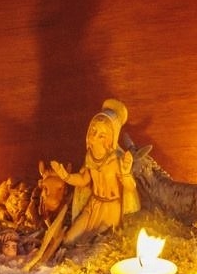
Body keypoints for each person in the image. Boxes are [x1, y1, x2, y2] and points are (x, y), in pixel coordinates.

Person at [48, 99, 139, 245]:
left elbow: (130, 188)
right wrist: (65, 176)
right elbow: (84, 180)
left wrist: (126, 173)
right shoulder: (90, 156)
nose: (94, 137)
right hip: (93, 205)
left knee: (94, 243)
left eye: (101, 135)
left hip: (111, 209)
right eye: (93, 131)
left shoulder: (117, 159)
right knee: (69, 240)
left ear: (110, 138)